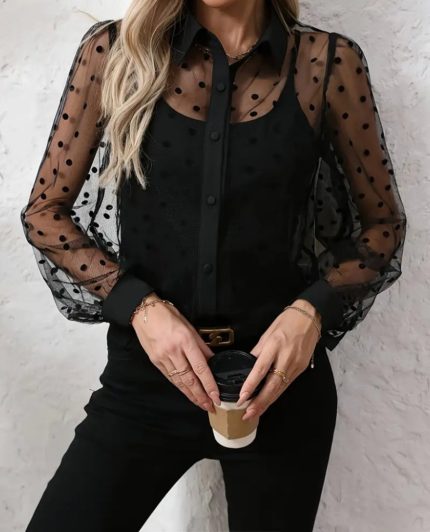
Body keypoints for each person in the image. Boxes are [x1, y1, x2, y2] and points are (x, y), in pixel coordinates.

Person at [21, 0, 407, 530]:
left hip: (277, 389)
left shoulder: (327, 63)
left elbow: (382, 226)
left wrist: (310, 314)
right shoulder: (115, 53)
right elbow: (45, 214)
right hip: (145, 384)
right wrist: (141, 308)